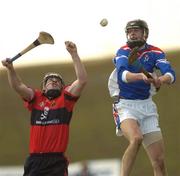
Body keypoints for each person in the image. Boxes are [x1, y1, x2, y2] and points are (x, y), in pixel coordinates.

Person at [2, 41, 87, 176]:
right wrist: (10, 69)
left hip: (56, 161)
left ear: (62, 87)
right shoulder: (36, 98)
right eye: (49, 80)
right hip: (35, 161)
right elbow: (18, 86)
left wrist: (74, 54)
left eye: (57, 81)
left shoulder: (65, 100)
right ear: (43, 87)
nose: (53, 81)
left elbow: (81, 80)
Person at [108, 19, 176, 176]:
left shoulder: (156, 52)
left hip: (147, 107)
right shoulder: (123, 51)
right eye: (129, 31)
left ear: (145, 34)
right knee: (136, 138)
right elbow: (123, 75)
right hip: (125, 106)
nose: (132, 33)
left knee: (159, 162)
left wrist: (161, 79)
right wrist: (141, 76)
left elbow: (170, 74)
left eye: (136, 30)